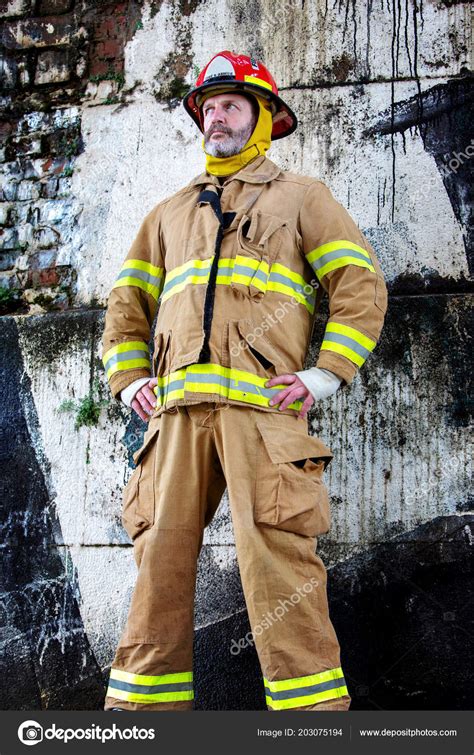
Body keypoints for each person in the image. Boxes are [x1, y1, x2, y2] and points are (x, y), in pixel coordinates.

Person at [101, 51, 388, 712]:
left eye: (231, 104)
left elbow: (358, 284)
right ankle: (142, 718)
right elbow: (126, 306)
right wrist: (129, 380)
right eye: (209, 107)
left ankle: (312, 718)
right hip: (174, 420)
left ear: (264, 118)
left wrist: (324, 375)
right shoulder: (169, 214)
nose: (216, 117)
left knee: (280, 566)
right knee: (158, 576)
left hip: (264, 415)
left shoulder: (301, 197)